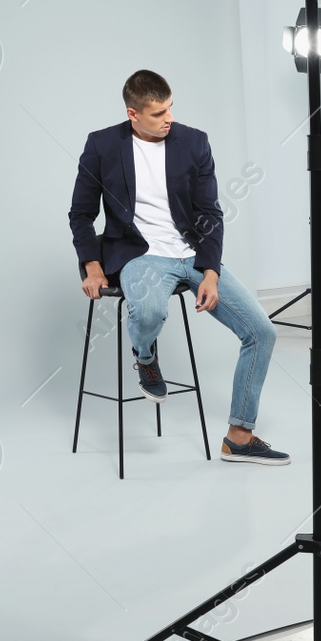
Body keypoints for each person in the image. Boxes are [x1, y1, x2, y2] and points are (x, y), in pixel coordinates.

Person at [69, 70, 286, 464]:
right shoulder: (102, 145)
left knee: (262, 332)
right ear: (133, 113)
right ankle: (146, 357)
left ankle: (239, 436)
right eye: (157, 114)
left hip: (191, 253)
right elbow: (80, 214)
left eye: (170, 108)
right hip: (138, 254)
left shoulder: (193, 141)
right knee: (150, 310)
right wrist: (92, 265)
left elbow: (210, 213)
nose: (168, 118)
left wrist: (211, 272)